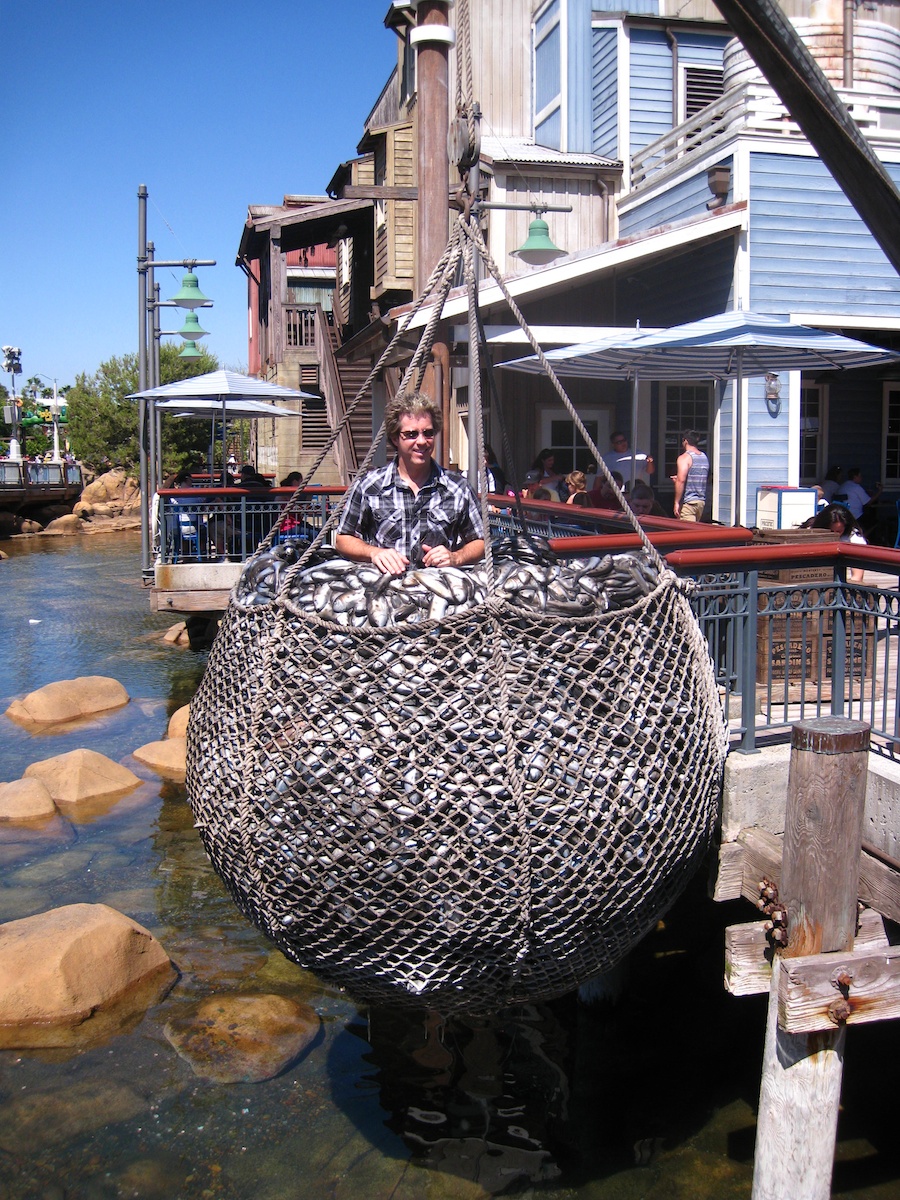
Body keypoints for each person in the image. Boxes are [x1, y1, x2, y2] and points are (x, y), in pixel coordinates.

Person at [335, 391, 485, 576]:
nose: (421, 441)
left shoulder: (458, 488)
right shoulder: (369, 486)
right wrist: (374, 553)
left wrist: (457, 557)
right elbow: (343, 539)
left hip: (440, 593)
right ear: (394, 438)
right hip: (385, 594)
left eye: (428, 433)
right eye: (411, 434)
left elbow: (482, 541)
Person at [803, 503, 867, 583]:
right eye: (831, 531)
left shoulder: (854, 538)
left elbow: (857, 577)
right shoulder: (809, 531)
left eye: (838, 531)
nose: (834, 534)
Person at [673, 430, 709, 522]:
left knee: (687, 533)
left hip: (689, 502)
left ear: (685, 441)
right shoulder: (704, 457)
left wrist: (676, 502)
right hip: (701, 501)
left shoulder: (684, 458)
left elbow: (681, 480)